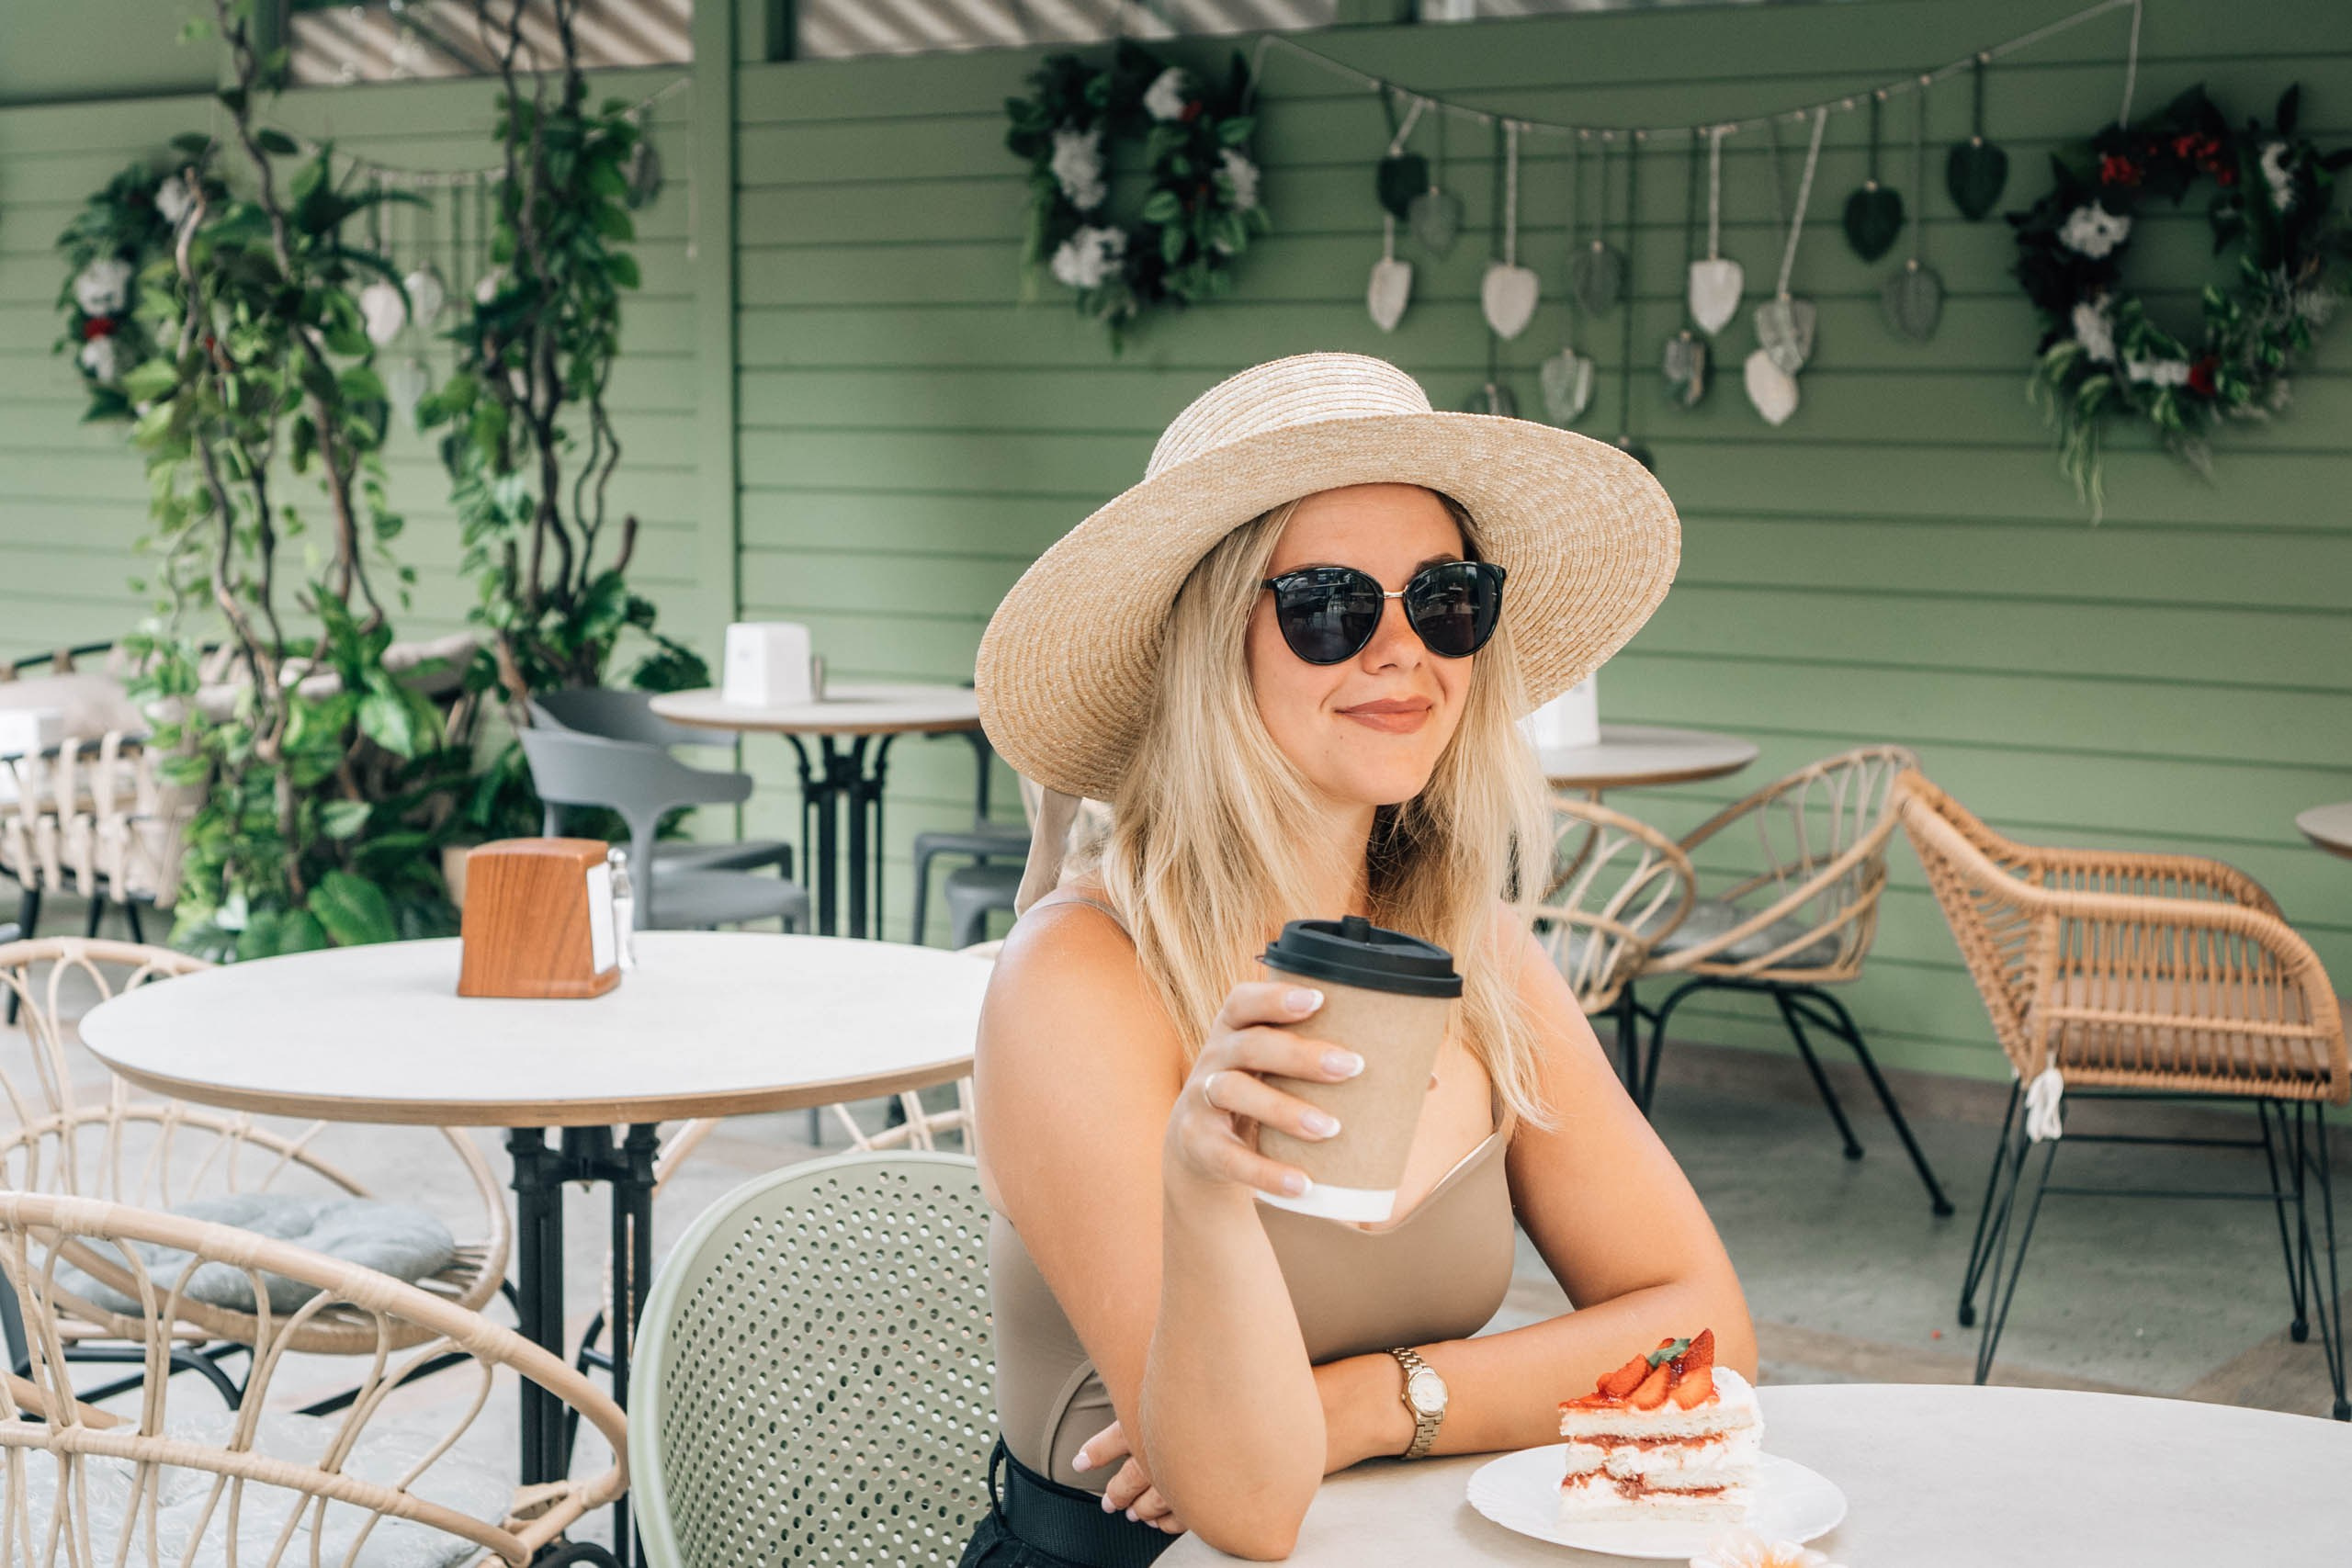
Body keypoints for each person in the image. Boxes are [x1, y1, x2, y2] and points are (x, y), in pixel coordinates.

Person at [963, 353, 1752, 1565]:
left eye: (1444, 600)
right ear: (1213, 646)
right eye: (1330, 606)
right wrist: (1204, 1183)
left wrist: (1373, 1403)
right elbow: (1245, 1502)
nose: (1402, 651)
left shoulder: (1475, 955)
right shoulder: (1081, 975)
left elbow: (1705, 1346)